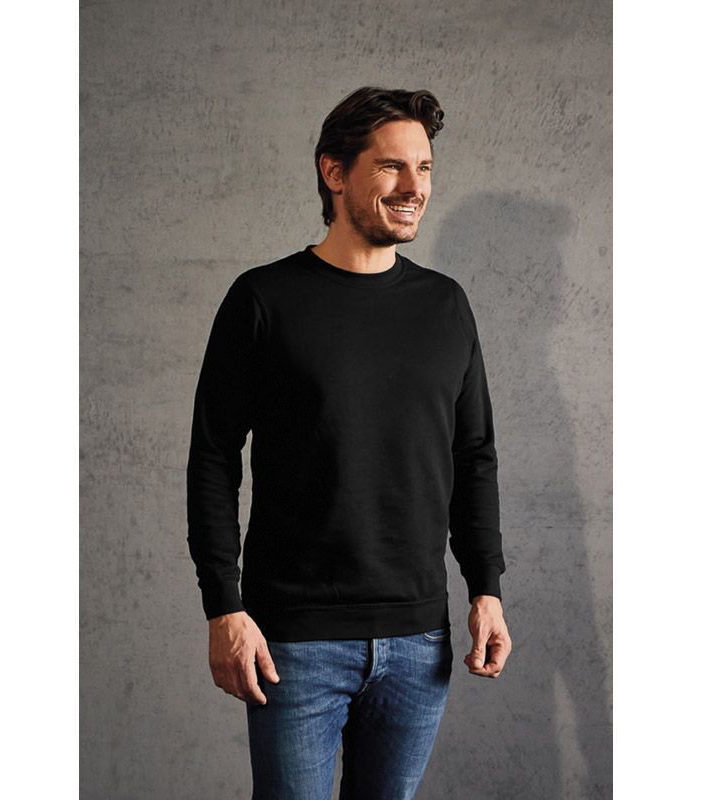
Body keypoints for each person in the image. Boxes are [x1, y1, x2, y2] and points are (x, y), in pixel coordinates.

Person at [186, 86, 512, 800]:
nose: (414, 187)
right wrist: (224, 608)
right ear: (334, 172)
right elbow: (212, 459)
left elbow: (473, 457)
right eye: (392, 166)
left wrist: (486, 588)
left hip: (419, 640)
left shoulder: (445, 305)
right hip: (294, 639)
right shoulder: (263, 300)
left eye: (425, 168)